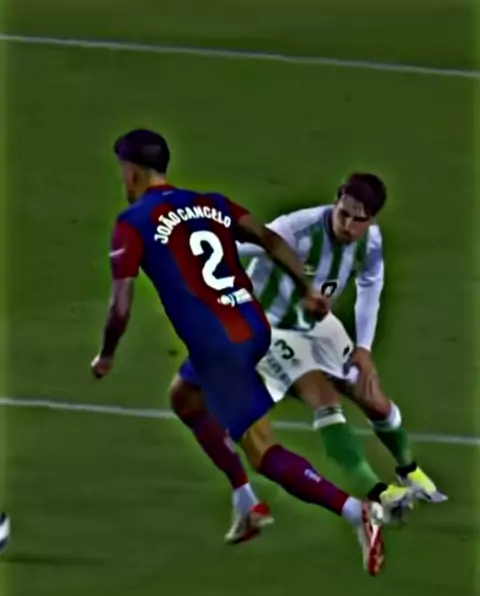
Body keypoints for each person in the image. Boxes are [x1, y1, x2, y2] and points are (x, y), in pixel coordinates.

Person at [91, 129, 386, 575]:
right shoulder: (210, 202)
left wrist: (107, 354)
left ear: (131, 173)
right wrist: (307, 286)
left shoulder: (132, 222)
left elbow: (120, 306)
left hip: (220, 348)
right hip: (251, 324)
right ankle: (246, 500)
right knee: (184, 397)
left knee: (263, 450)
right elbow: (269, 239)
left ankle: (355, 512)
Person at [171, 173, 444, 544]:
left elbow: (370, 286)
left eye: (358, 219)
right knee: (324, 399)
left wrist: (364, 349)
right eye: (343, 213)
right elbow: (247, 246)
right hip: (271, 327)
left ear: (372, 220)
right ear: (336, 201)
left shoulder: (371, 242)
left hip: (318, 325)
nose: (348, 225)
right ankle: (380, 494)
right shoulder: (296, 230)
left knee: (373, 397)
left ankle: (409, 470)